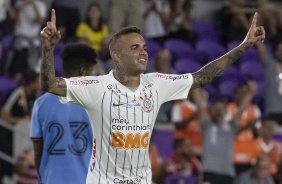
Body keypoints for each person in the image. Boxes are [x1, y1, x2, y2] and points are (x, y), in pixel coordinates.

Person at [39, 9, 265, 183]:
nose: (143, 51)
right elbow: (49, 84)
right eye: (135, 47)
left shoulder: (156, 84)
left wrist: (244, 46)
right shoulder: (96, 87)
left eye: (144, 47)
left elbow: (202, 77)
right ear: (116, 56)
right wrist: (47, 49)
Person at [30, 43, 97, 184]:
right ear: (83, 71)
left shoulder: (40, 103)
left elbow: (38, 153)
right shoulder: (97, 104)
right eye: (92, 71)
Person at [194, 81, 257, 184]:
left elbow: (240, 110)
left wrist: (251, 92)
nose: (219, 111)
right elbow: (200, 107)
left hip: (227, 173)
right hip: (209, 172)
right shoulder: (206, 125)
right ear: (210, 111)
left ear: (226, 112)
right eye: (216, 109)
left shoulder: (231, 127)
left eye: (222, 109)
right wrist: (195, 87)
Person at [255, 37, 282, 125]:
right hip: (273, 109)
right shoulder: (270, 63)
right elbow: (261, 48)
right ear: (275, 51)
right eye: (279, 50)